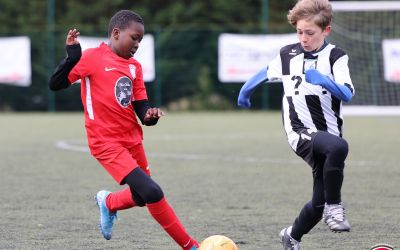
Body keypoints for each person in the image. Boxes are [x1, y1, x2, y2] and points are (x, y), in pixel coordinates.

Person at [48, 10, 199, 250]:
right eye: (134, 38)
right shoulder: (91, 58)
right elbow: (55, 84)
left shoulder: (135, 67)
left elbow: (141, 108)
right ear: (116, 33)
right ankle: (192, 246)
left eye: (140, 40)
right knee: (152, 191)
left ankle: (108, 202)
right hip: (105, 142)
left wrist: (150, 116)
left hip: (132, 139)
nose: (137, 44)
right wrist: (71, 57)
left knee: (141, 196)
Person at [237, 0, 354, 249]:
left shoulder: (336, 57)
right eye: (299, 31)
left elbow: (346, 93)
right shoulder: (287, 54)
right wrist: (245, 92)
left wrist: (323, 80)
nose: (303, 38)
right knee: (339, 148)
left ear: (326, 30)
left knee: (317, 201)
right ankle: (335, 209)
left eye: (309, 33)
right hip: (299, 132)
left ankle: (291, 235)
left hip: (327, 135)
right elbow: (264, 73)